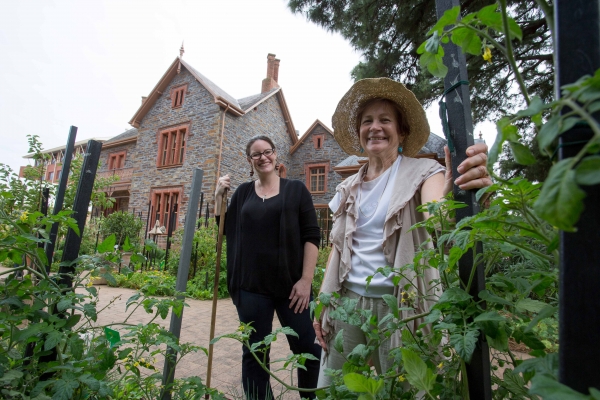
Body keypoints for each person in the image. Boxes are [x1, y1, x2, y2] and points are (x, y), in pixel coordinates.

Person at [313, 78, 491, 386]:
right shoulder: (346, 186)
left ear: (402, 131)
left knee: (405, 389)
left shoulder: (424, 173)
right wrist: (323, 300)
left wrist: (460, 191)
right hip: (346, 303)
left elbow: (439, 218)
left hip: (402, 304)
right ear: (359, 133)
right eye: (367, 121)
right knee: (334, 389)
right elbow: (337, 248)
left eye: (385, 120)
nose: (375, 127)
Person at [215, 135, 322, 400]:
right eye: (256, 154)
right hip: (251, 288)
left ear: (275, 155)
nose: (263, 157)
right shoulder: (242, 193)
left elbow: (312, 236)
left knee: (310, 349)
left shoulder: (296, 190)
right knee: (255, 354)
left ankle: (312, 397)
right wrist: (219, 196)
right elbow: (224, 229)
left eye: (268, 151)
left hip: (293, 288)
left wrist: (306, 281)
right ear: (250, 160)